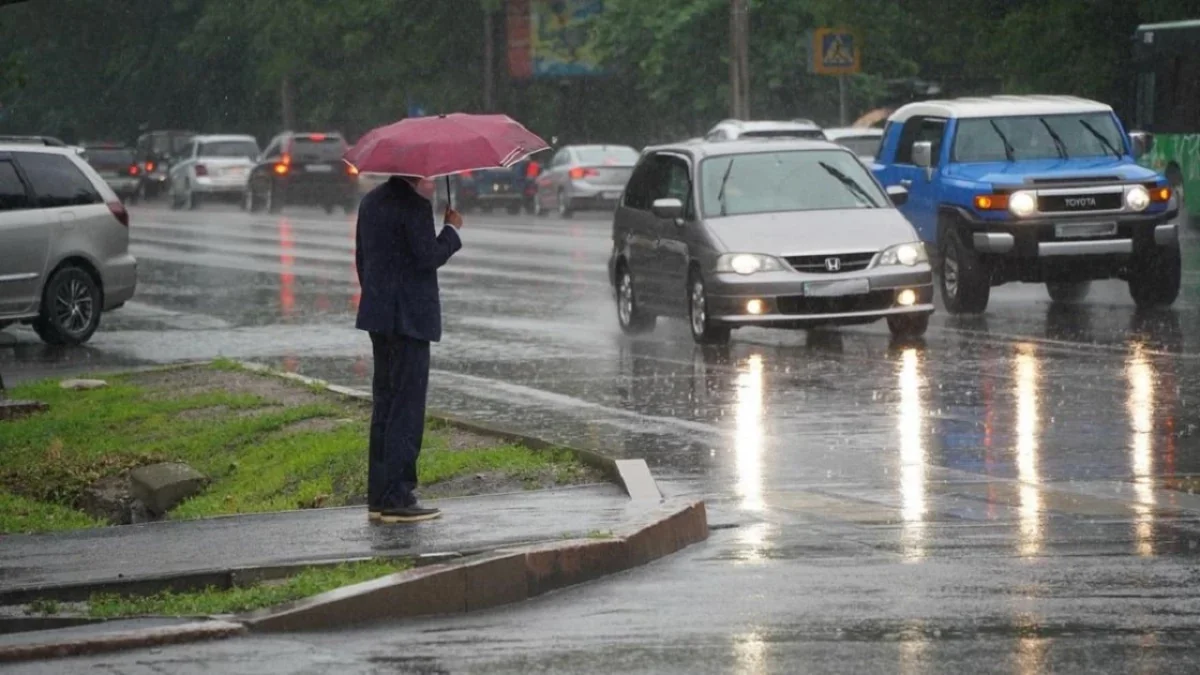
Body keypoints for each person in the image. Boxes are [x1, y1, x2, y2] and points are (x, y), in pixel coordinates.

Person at [355, 175, 463, 523]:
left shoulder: (370, 202)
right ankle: (399, 496)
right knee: (407, 409)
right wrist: (451, 231)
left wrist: (379, 296)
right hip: (410, 322)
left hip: (379, 317)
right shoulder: (414, 207)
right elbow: (427, 257)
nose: (431, 179)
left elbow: (362, 259)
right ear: (415, 172)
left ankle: (379, 496)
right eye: (428, 175)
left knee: (385, 407)